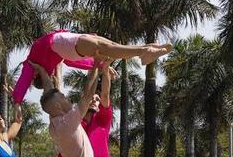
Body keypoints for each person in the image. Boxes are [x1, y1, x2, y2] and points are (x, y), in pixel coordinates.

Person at [12, 30, 172, 104]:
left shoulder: (46, 62)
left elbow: (70, 61)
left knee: (110, 46)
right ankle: (145, 51)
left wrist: (102, 65)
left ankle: (148, 49)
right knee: (106, 48)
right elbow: (22, 85)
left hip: (67, 43)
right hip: (64, 43)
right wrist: (16, 99)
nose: (29, 76)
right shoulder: (31, 65)